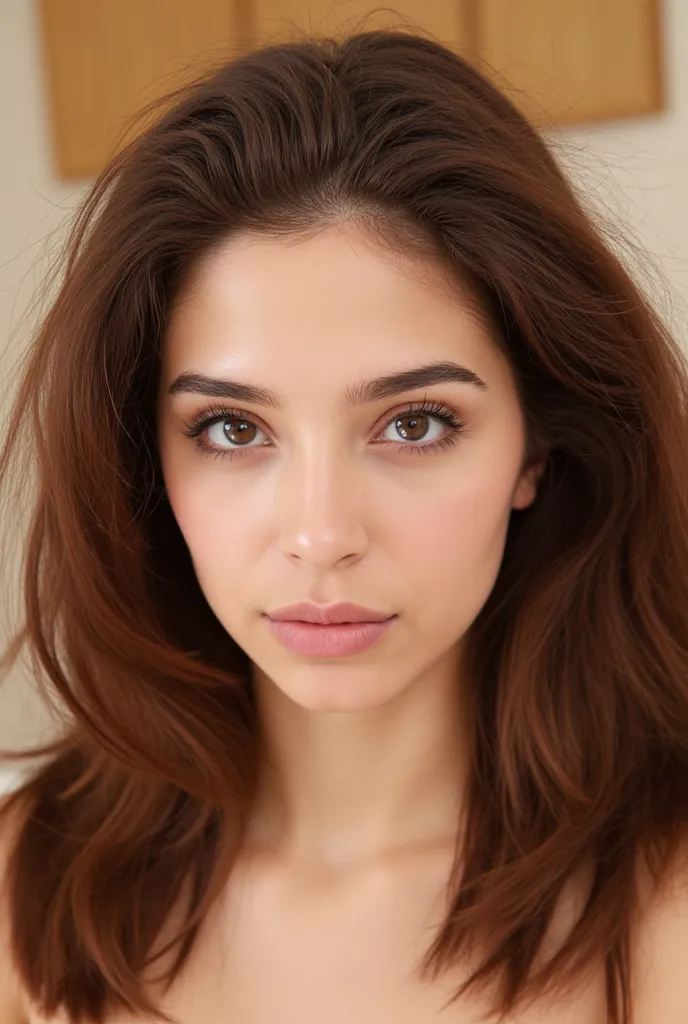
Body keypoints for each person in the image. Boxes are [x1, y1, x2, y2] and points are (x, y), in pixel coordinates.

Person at [1, 25, 688, 1024]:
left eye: (414, 424)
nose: (321, 534)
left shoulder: (661, 903)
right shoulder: (35, 883)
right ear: (144, 457)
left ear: (534, 448)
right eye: (233, 428)